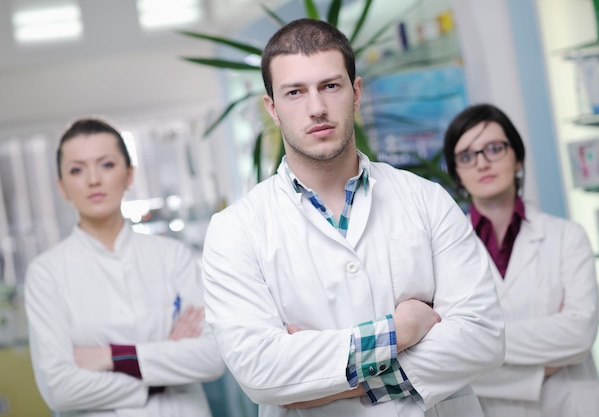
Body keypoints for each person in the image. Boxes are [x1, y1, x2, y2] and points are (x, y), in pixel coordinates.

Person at [201, 18, 505, 417]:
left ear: (355, 92)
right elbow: (261, 372)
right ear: (272, 108)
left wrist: (328, 387)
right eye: (295, 92)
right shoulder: (235, 230)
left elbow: (483, 337)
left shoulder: (425, 198)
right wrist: (402, 330)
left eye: (331, 86)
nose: (317, 108)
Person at [25, 118, 225, 417]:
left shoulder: (173, 256)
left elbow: (212, 358)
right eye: (77, 169)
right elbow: (60, 390)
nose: (93, 179)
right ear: (62, 186)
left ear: (129, 174)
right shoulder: (45, 273)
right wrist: (163, 367)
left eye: (106, 165)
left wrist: (113, 357)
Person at [442, 103, 599, 417]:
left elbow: (580, 333)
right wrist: (540, 367)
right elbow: (447, 355)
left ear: (517, 157)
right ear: (457, 173)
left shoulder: (567, 237)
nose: (482, 163)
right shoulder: (444, 252)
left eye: (494, 148)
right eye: (466, 156)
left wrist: (481, 341)